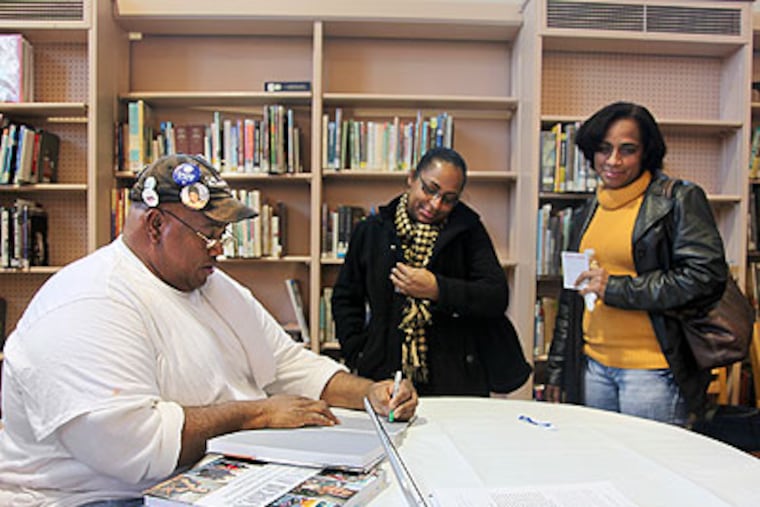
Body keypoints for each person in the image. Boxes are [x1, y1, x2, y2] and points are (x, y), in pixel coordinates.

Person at [0, 154, 418, 506]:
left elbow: (288, 364)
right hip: (93, 496)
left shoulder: (211, 284)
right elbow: (133, 448)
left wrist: (368, 394)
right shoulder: (90, 303)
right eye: (209, 234)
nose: (220, 247)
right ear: (155, 227)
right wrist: (257, 413)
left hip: (196, 477)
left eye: (222, 233)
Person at [545, 102, 728, 425]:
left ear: (647, 153)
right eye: (604, 149)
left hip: (653, 372)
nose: (613, 161)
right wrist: (558, 370)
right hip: (593, 367)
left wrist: (616, 288)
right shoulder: (588, 210)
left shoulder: (677, 199)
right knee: (604, 466)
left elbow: (705, 277)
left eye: (627, 150)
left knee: (654, 472)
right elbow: (572, 296)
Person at [331, 147, 530, 396]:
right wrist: (357, 352)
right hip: (385, 373)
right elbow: (346, 298)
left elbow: (496, 296)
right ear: (412, 178)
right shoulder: (372, 230)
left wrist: (437, 289)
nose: (435, 205)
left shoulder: (468, 230)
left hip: (457, 377)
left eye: (448, 199)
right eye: (430, 189)